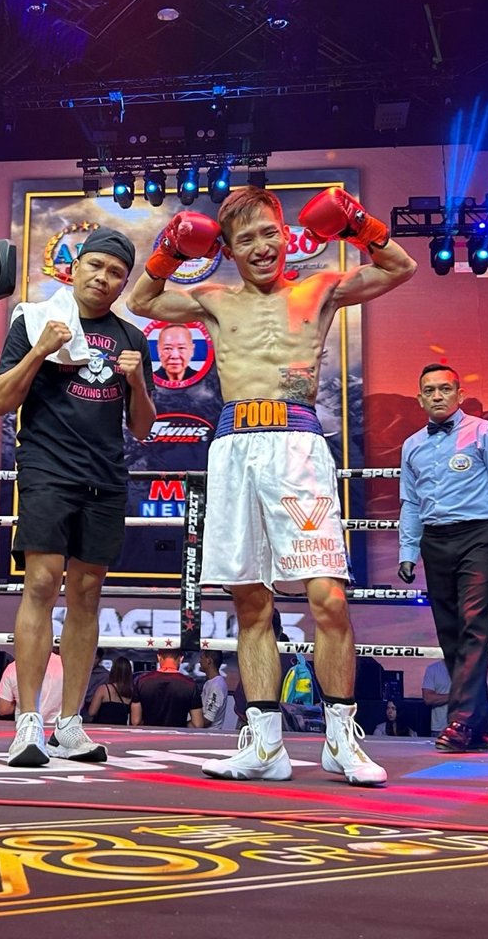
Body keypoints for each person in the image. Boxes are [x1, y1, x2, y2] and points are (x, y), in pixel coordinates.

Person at [128, 187, 415, 785]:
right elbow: (143, 299)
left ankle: (341, 739)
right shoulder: (213, 300)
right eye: (246, 240)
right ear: (229, 251)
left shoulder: (321, 288)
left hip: (297, 447)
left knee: (327, 597)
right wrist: (168, 250)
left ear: (287, 236)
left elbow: (399, 267)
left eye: (269, 234)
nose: (260, 247)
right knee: (250, 602)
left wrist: (359, 222)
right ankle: (264, 745)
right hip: (235, 447)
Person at [0, 226, 156, 766]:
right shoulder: (34, 319)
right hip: (47, 466)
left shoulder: (132, 338)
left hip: (106, 474)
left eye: (116, 273)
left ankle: (69, 724)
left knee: (87, 593)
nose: (103, 278)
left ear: (123, 283)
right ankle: (28, 722)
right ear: (76, 266)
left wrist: (136, 384)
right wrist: (40, 350)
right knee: (41, 582)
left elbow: (144, 428)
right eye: (96, 266)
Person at [398, 363, 488, 754]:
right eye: (429, 390)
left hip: (477, 536)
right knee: (450, 633)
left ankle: (459, 722)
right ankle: (479, 727)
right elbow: (410, 503)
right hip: (434, 540)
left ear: (459, 394)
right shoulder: (411, 445)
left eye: (444, 388)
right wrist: (407, 551)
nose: (437, 396)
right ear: (420, 399)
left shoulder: (484, 431)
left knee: (474, 624)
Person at [131, 649, 205, 728]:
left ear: (158, 657)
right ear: (181, 659)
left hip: (149, 734)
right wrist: (182, 726)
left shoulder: (142, 682)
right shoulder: (190, 685)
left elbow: (136, 721)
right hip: (178, 734)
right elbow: (197, 724)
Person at [0, 650, 65, 725]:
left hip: (25, 726)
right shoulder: (65, 665)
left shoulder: (14, 667)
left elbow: (3, 708)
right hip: (59, 727)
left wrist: (20, 703)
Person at [87, 655, 134, 725]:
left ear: (113, 670)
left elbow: (92, 712)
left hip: (102, 728)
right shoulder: (131, 692)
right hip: (120, 728)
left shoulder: (103, 689)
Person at [199, 650, 229, 729]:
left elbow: (208, 720)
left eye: (202, 658)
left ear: (209, 661)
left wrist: (187, 723)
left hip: (209, 734)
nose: (199, 662)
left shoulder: (217, 686)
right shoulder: (210, 683)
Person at [421, 658, 451, 737]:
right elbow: (428, 698)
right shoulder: (433, 669)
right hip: (440, 729)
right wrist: (454, 696)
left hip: (465, 728)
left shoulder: (469, 669)